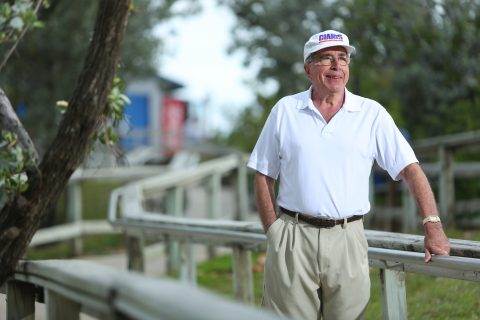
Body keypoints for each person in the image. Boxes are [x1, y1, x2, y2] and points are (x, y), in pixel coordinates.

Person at [247, 29, 450, 320]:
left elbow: (410, 169)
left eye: (342, 58)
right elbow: (263, 174)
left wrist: (433, 225)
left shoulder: (371, 113)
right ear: (308, 68)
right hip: (293, 237)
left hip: (348, 237)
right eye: (326, 58)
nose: (336, 66)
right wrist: (275, 231)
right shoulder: (285, 110)